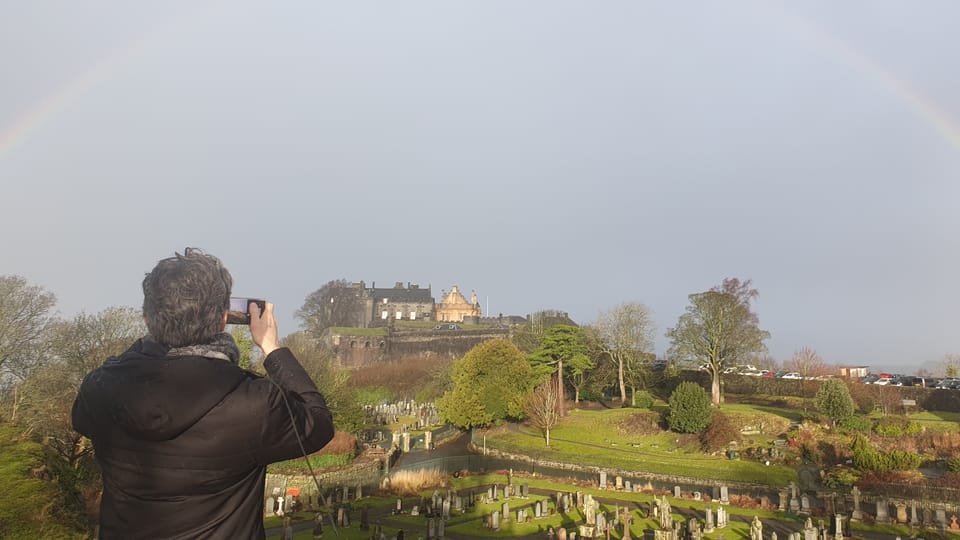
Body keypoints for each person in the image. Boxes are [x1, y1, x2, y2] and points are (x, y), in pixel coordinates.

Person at [72, 248, 335, 539]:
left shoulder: (100, 389)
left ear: (147, 318)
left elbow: (82, 419)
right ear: (224, 319)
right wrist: (272, 347)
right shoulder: (254, 403)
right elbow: (318, 422)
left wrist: (145, 348)